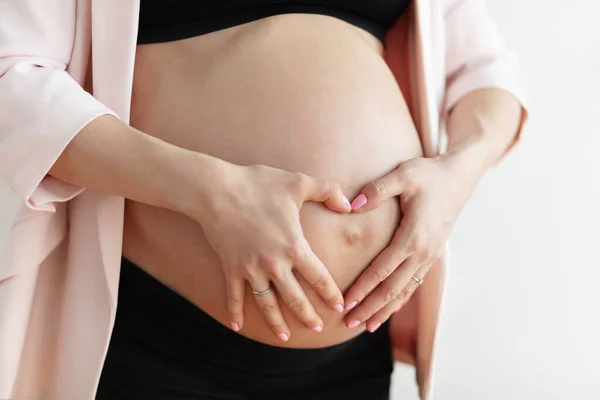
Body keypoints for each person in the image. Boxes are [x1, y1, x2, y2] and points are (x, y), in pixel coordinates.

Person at [0, 0, 528, 399]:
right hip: (158, 339)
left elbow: (485, 72)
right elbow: (14, 80)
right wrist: (211, 192)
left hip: (350, 356)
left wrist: (456, 177)